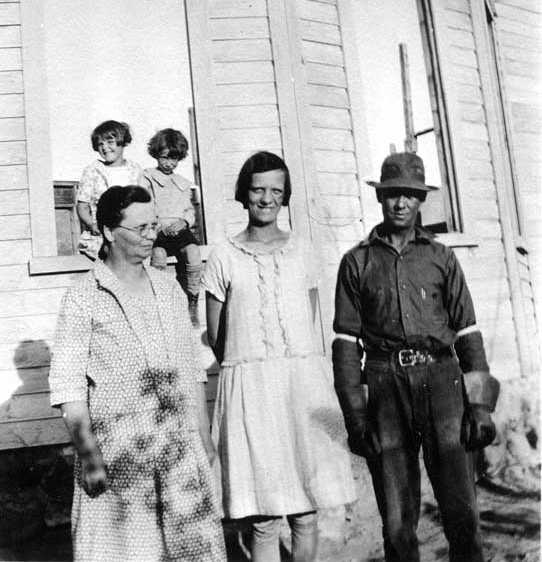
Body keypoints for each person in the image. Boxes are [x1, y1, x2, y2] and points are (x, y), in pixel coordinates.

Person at [332, 152, 499, 562]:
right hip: (386, 386)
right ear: (380, 198)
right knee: (397, 520)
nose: (401, 203)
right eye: (393, 194)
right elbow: (346, 345)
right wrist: (356, 418)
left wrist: (480, 406)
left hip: (443, 382)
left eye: (409, 194)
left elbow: (468, 333)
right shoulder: (356, 261)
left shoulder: (441, 257)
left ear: (421, 199)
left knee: (462, 511)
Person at [49, 184, 226, 562]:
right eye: (140, 228)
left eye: (154, 226)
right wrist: (90, 455)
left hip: (178, 448)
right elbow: (68, 385)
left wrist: (204, 437)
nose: (151, 236)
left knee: (189, 550)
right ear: (109, 232)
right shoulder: (84, 295)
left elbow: (190, 368)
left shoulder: (169, 289)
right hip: (119, 454)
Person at [202, 151, 356, 562]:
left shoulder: (302, 251)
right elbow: (217, 336)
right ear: (244, 193)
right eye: (258, 189)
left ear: (286, 196)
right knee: (264, 519)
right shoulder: (224, 255)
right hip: (252, 394)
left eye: (276, 190)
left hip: (301, 389)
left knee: (306, 511)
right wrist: (255, 362)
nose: (266, 198)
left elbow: (308, 321)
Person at [144, 128, 202, 323]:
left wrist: (184, 222)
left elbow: (189, 210)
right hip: (158, 230)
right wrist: (156, 223)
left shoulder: (182, 182)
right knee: (159, 256)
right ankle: (159, 303)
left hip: (179, 229)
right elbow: (144, 204)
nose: (169, 163)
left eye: (174, 159)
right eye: (164, 157)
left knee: (193, 251)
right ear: (156, 155)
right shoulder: (148, 177)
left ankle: (192, 300)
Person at [76, 120, 144, 261]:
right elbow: (82, 206)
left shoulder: (135, 170)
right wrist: (91, 224)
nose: (105, 147)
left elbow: (142, 204)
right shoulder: (92, 171)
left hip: (130, 233)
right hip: (101, 236)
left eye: (110, 142)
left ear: (123, 141)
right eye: (100, 144)